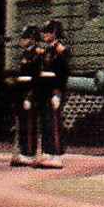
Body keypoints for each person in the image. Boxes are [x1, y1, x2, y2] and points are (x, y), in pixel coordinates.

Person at [34, 20, 71, 168]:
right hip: (45, 90)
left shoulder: (59, 49)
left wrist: (58, 92)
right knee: (46, 123)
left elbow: (62, 73)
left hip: (54, 89)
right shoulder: (48, 49)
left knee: (54, 123)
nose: (44, 35)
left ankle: (56, 154)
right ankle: (48, 152)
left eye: (47, 32)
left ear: (54, 33)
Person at [10, 25, 43, 167]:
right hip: (21, 92)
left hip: (31, 92)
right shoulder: (25, 54)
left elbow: (36, 78)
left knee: (30, 124)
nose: (24, 40)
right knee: (22, 124)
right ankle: (24, 151)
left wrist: (30, 96)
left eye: (26, 37)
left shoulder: (38, 54)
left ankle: (29, 152)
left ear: (33, 38)